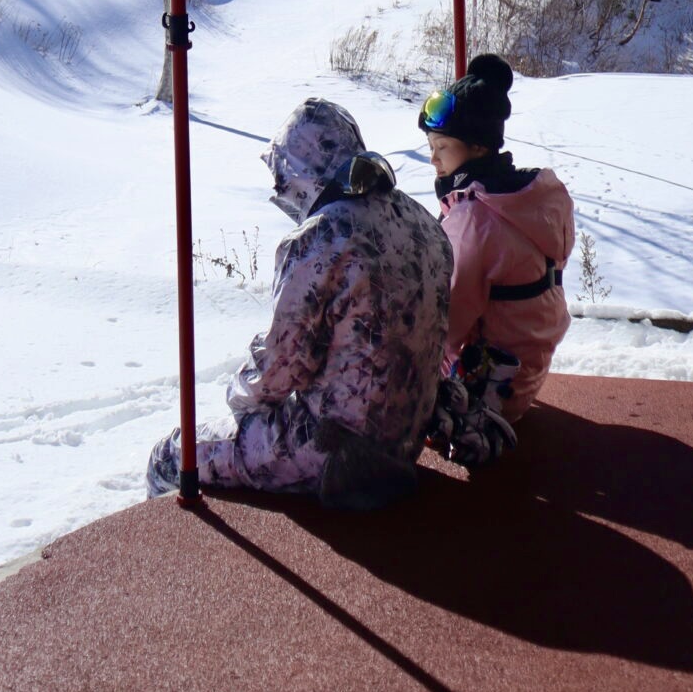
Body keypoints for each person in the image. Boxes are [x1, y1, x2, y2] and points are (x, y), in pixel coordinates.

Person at [147, 95, 451, 507]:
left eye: (284, 184)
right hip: (404, 438)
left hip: (337, 452)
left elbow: (280, 368)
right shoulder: (423, 223)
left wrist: (240, 396)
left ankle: (174, 561)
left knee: (172, 455)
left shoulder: (324, 238)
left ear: (302, 172)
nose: (285, 197)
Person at [420, 53, 575, 428]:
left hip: (491, 389)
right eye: (431, 147)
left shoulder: (474, 217)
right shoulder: (531, 195)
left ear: (478, 147)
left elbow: (449, 320)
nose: (433, 160)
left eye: (442, 148)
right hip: (528, 365)